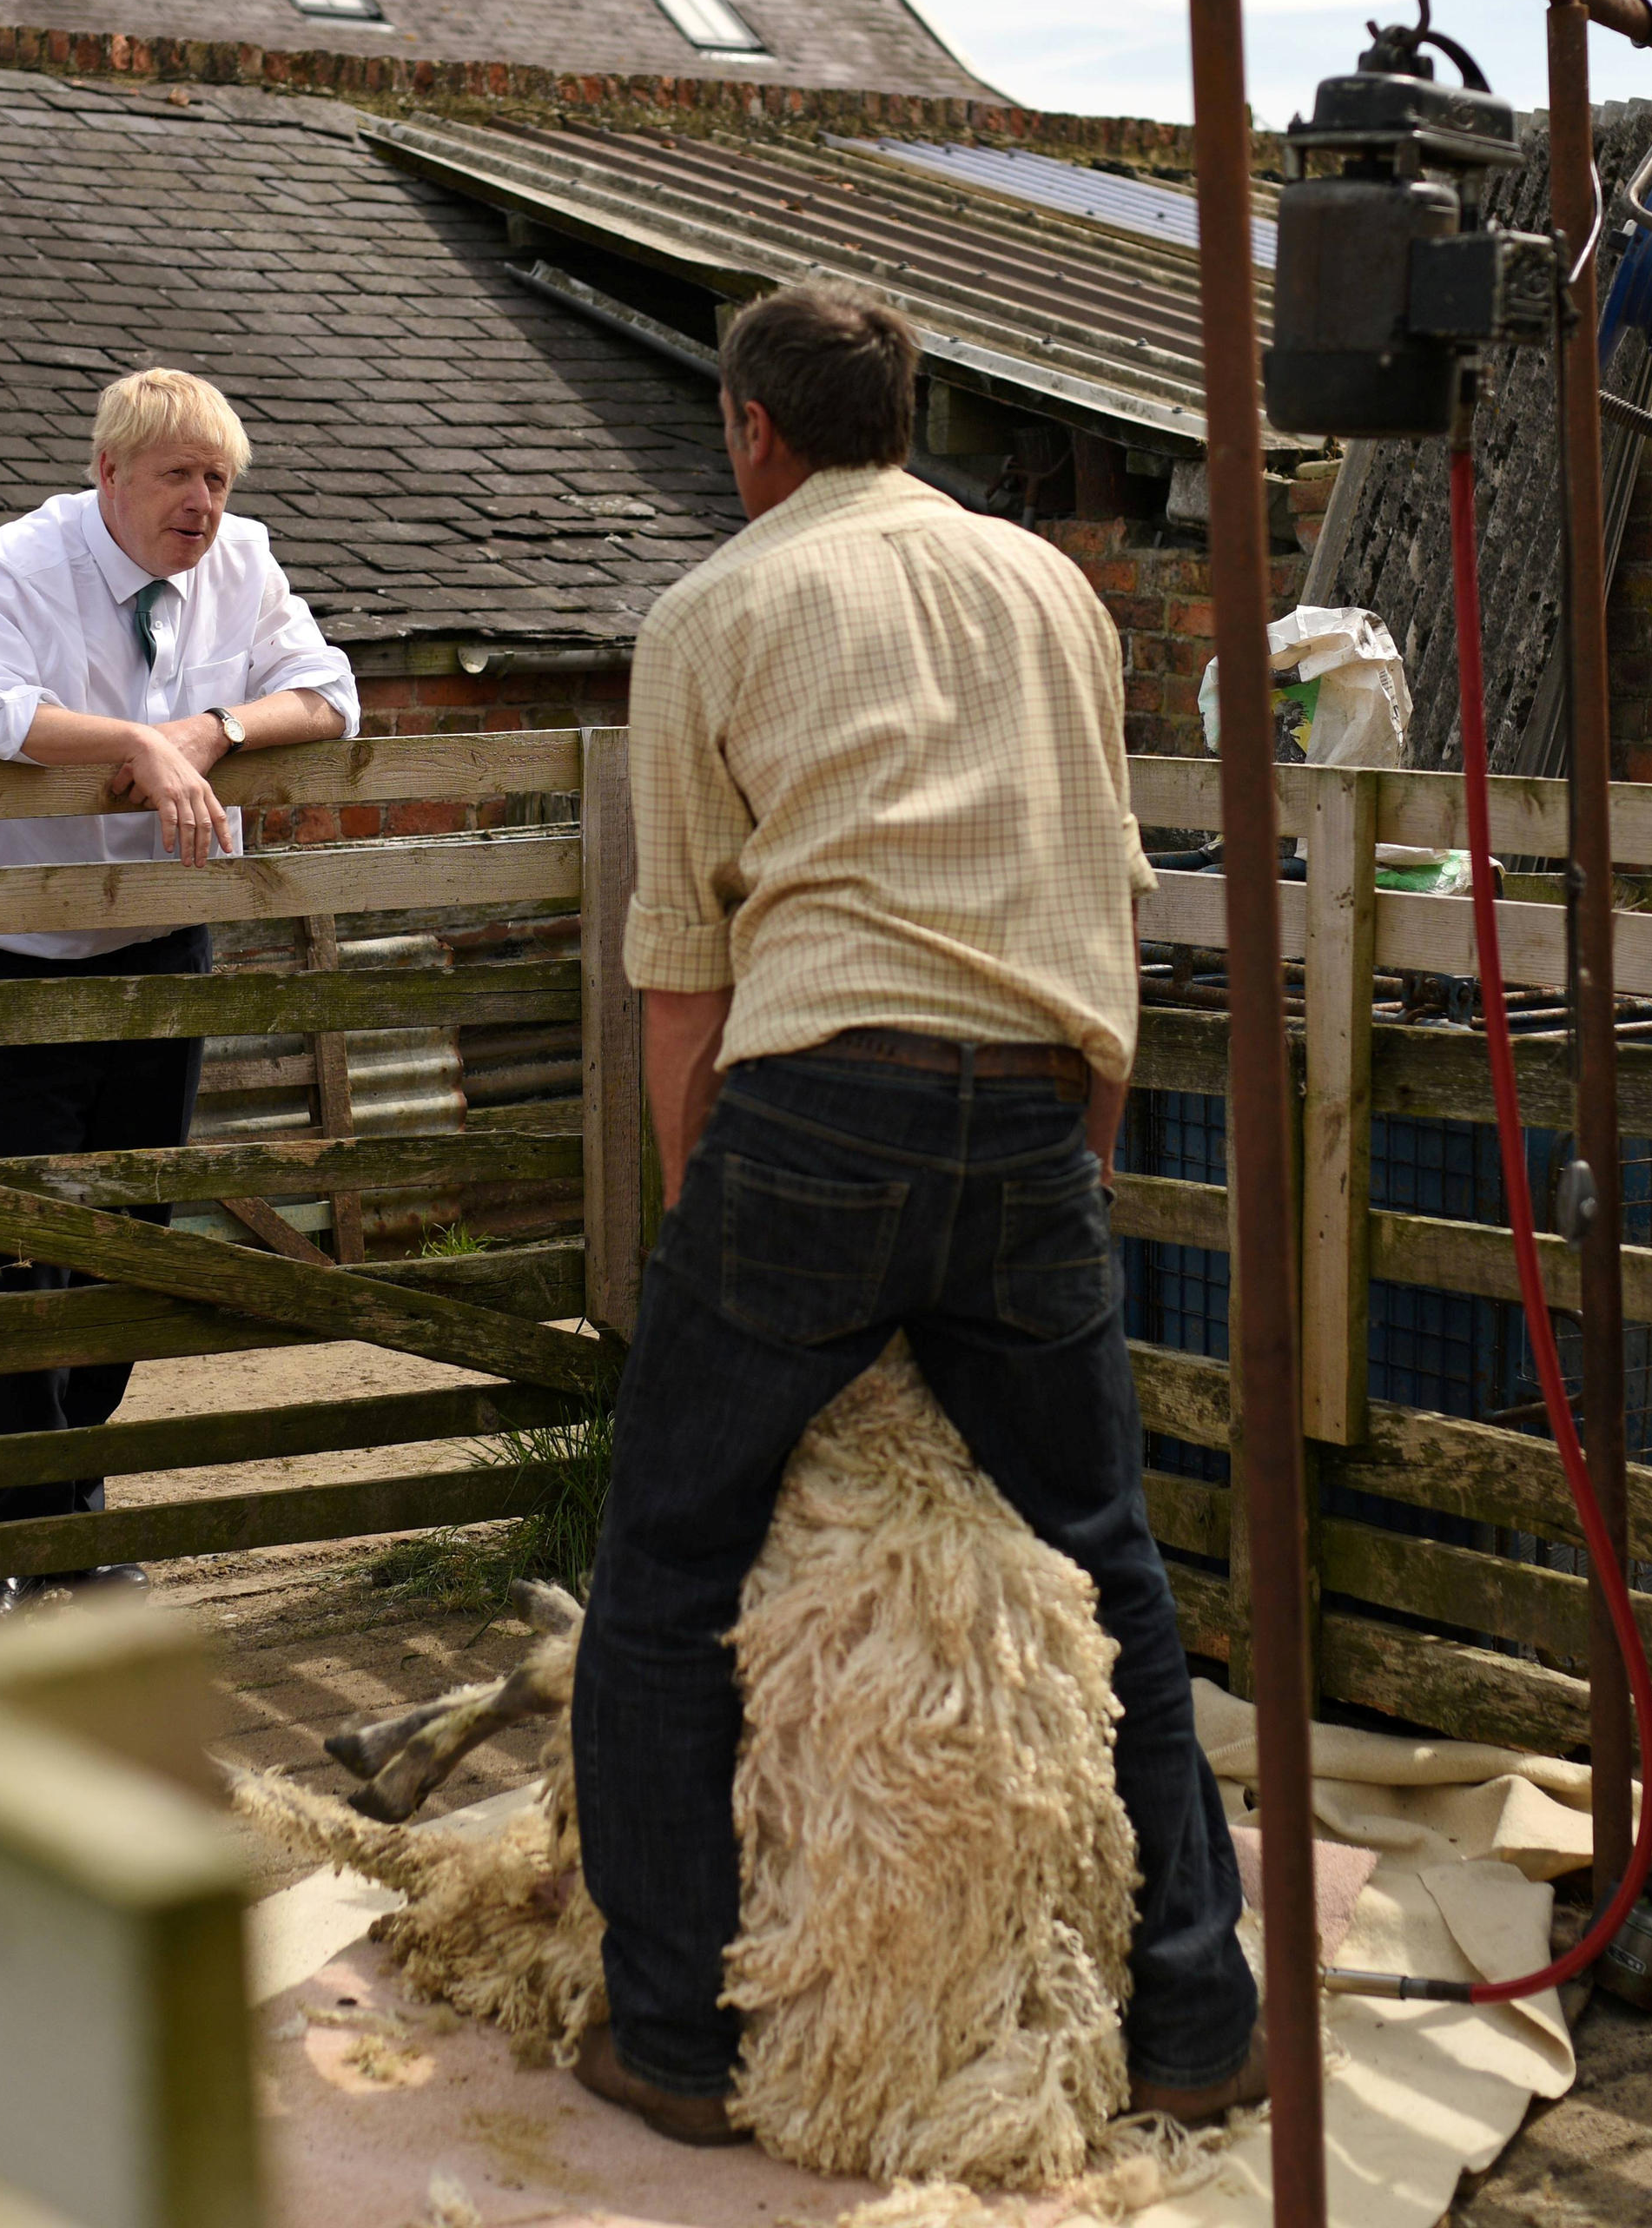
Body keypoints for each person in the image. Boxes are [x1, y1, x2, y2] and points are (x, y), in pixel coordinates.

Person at [569, 281, 1261, 2144]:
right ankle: (1199, 2020)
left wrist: (697, 1231)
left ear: (751, 427)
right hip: (1031, 1107)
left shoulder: (712, 611)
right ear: (908, 413)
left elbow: (683, 971)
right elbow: (1103, 892)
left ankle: (673, 2037)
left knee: (666, 1566)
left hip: (814, 1107)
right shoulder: (1051, 590)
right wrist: (1083, 1144)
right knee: (1104, 1555)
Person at [0, 367, 360, 1617]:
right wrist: (129, 743)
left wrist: (213, 730)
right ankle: (7, 1537)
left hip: (161, 941)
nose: (202, 504)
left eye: (218, 480)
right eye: (178, 476)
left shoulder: (244, 560)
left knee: (135, 1234)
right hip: (9, 950)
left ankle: (77, 1510)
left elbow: (329, 692)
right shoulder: (17, 564)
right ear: (108, 472)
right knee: (22, 1241)